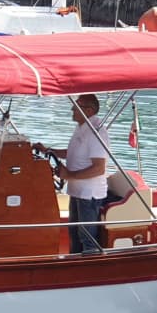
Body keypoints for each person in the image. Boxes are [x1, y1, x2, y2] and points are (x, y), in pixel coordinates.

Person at [32, 94, 110, 254]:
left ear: (89, 110)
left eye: (77, 105)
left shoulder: (96, 132)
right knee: (74, 234)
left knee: (87, 237)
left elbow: (99, 168)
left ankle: (89, 269)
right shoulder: (82, 127)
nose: (72, 108)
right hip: (77, 191)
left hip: (89, 195)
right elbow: (72, 153)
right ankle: (75, 262)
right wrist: (49, 150)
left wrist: (69, 175)